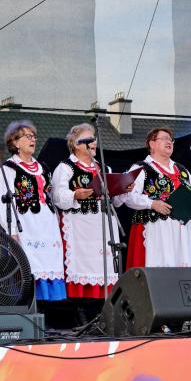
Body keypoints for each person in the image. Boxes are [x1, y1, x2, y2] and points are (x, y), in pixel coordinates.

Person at [51, 123, 126, 302]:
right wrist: (75, 195)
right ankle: (81, 308)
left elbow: (115, 202)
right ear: (76, 144)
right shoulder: (66, 167)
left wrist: (122, 189)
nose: (94, 142)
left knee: (105, 266)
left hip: (103, 226)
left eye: (94, 138)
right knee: (82, 266)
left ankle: (103, 307)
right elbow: (57, 196)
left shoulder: (104, 169)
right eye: (89, 139)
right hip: (80, 228)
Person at [0, 121, 66, 302]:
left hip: (47, 225)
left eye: (34, 136)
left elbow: (49, 195)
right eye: (28, 136)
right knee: (29, 267)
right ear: (15, 142)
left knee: (48, 266)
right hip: (26, 225)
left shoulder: (43, 167)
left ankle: (47, 309)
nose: (33, 140)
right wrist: (11, 231)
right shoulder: (8, 169)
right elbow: (3, 203)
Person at [123, 128, 191, 268]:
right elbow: (128, 197)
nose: (169, 142)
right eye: (164, 138)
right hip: (158, 231)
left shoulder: (182, 170)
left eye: (171, 139)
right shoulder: (141, 168)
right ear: (152, 144)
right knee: (161, 271)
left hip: (184, 231)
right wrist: (152, 204)